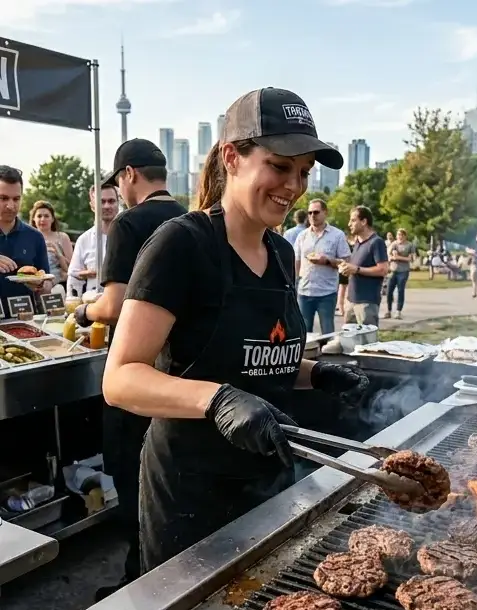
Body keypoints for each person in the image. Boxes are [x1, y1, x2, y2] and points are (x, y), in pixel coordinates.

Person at [101, 87, 367, 572]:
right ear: (232, 157)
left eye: (304, 172)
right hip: (190, 491)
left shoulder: (283, 253)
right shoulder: (182, 245)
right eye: (281, 166)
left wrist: (317, 373)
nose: (294, 185)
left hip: (267, 480)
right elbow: (120, 379)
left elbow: (261, 358)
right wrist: (217, 400)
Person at [75, 138, 186, 596]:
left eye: (117, 182)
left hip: (137, 376)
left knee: (130, 475)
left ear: (128, 176)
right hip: (179, 376)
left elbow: (116, 305)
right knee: (167, 482)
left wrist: (84, 311)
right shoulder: (192, 219)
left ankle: (139, 581)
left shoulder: (128, 223)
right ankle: (168, 573)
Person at [294, 198, 349, 334]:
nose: (313, 215)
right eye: (310, 212)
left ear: (325, 213)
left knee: (327, 332)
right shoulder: (302, 236)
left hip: (327, 293)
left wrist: (327, 261)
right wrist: (296, 281)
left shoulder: (337, 235)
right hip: (305, 292)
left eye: (316, 212)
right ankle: (307, 355)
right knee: (304, 333)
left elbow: (346, 261)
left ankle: (327, 355)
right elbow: (297, 260)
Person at [0, 165, 51, 310]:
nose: (10, 206)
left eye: (16, 199)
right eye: (3, 198)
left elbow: (47, 286)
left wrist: (40, 284)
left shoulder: (35, 236)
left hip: (26, 322)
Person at [339, 205, 388, 326]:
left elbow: (383, 269)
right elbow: (354, 269)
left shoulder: (376, 242)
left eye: (353, 220)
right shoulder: (357, 243)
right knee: (349, 341)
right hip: (351, 301)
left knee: (367, 342)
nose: (349, 224)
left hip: (367, 303)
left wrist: (357, 269)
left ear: (364, 221)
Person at [68, 185, 120, 297]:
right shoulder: (84, 240)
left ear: (118, 204)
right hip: (93, 304)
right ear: (92, 205)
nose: (107, 206)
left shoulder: (130, 236)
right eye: (101, 202)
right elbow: (73, 275)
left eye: (111, 201)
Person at [29, 201, 72, 287]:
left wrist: (58, 254)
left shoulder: (62, 237)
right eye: (39, 216)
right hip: (34, 281)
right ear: (34, 218)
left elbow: (73, 266)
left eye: (46, 216)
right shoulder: (28, 238)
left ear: (52, 219)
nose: (42, 219)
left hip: (58, 282)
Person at [386, 228, 415, 319]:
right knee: (389, 291)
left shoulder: (409, 245)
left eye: (402, 235)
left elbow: (410, 259)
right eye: (398, 235)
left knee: (400, 290)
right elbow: (388, 255)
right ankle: (389, 310)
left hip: (403, 271)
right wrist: (392, 257)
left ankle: (398, 311)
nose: (400, 237)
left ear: (405, 236)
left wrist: (398, 257)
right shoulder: (394, 244)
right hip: (393, 270)